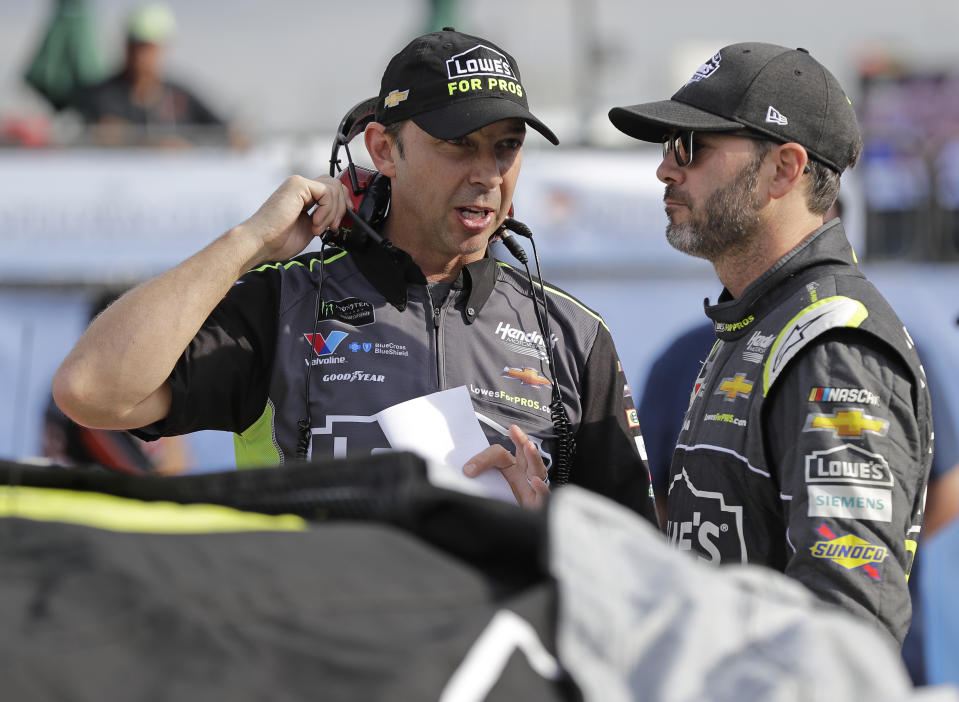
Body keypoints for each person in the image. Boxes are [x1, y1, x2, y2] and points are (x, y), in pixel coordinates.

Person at [52, 28, 657, 522]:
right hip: (320, 661)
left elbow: (638, 569)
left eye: (506, 146)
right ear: (384, 150)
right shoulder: (287, 302)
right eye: (459, 144)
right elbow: (90, 390)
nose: (487, 173)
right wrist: (247, 245)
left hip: (492, 664)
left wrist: (548, 531)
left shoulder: (571, 337)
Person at [608, 43, 933, 647]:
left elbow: (849, 625)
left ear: (785, 168)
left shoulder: (832, 345)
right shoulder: (756, 324)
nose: (665, 169)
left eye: (690, 147)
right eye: (667, 147)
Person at [69, 2, 230, 147]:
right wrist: (148, 145)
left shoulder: (180, 96)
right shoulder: (100, 96)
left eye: (147, 48)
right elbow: (76, 134)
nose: (140, 56)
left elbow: (224, 130)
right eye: (135, 46)